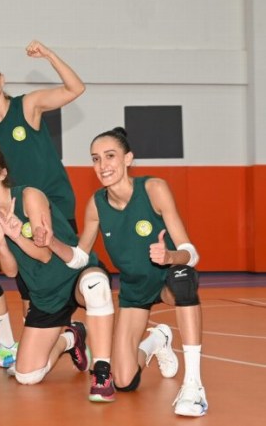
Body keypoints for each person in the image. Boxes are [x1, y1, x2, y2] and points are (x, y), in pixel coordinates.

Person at [0, 40, 85, 368]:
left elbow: (76, 88)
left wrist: (49, 55)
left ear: (1, 79)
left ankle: (70, 333)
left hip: (52, 209)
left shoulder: (27, 106)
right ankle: (10, 345)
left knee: (59, 282)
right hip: (11, 215)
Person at [74, 127, 207, 416]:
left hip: (166, 279)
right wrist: (47, 244)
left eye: (110, 156)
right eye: (96, 158)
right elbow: (79, 256)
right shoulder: (96, 205)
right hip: (135, 289)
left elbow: (191, 253)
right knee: (124, 380)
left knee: (183, 278)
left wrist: (169, 256)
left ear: (128, 159)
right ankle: (158, 340)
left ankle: (194, 385)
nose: (102, 165)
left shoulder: (154, 189)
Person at [0, 139, 114, 402]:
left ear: (2, 173)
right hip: (46, 295)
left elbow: (46, 254)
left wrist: (16, 235)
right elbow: (10, 271)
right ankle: (71, 338)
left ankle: (102, 371)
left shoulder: (29, 196)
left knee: (96, 285)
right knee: (26, 376)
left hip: (74, 274)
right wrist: (0, 244)